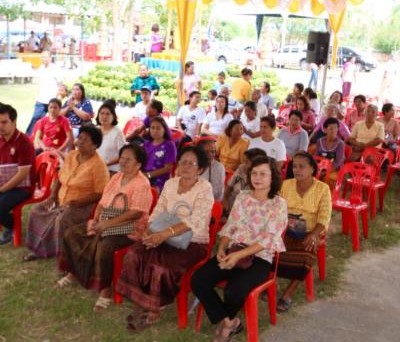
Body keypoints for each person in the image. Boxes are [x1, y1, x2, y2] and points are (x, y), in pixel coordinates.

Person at [116, 146, 214, 330]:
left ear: (200, 169)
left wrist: (164, 234)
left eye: (191, 164)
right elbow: (158, 209)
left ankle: (155, 307)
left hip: (192, 241)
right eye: (183, 162)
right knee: (134, 254)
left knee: (161, 268)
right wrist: (149, 230)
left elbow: (195, 221)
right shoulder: (170, 184)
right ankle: (142, 302)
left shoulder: (205, 189)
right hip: (161, 234)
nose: (185, 166)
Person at [191, 156, 288, 340]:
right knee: (198, 280)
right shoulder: (243, 196)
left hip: (259, 257)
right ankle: (230, 322)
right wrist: (222, 248)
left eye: (263, 174)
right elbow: (230, 226)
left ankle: (226, 324)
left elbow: (268, 240)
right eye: (254, 173)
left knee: (234, 292)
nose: (257, 177)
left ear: (273, 177)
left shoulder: (279, 204)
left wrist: (238, 256)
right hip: (233, 250)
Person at [57, 144, 152, 310]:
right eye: (122, 158)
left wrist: (106, 224)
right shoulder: (116, 177)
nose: (123, 161)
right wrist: (96, 219)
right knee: (72, 233)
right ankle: (74, 272)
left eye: (128, 159)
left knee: (105, 245)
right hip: (105, 220)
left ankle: (105, 289)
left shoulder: (142, 183)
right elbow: (102, 202)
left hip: (129, 228)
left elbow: (135, 213)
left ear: (138, 164)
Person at [23, 126, 109, 261]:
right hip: (60, 199)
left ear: (95, 145)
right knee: (36, 210)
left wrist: (76, 202)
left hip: (82, 206)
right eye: (80, 137)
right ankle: (39, 249)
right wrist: (53, 196)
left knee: (62, 219)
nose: (80, 141)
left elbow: (100, 193)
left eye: (85, 140)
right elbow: (60, 177)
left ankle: (62, 255)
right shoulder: (72, 155)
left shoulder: (99, 165)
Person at [277, 151, 332, 312]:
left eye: (302, 166)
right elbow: (277, 208)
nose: (297, 170)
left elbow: (324, 216)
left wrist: (314, 234)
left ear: (312, 169)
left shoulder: (323, 189)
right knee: (270, 252)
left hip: (310, 231)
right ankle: (270, 282)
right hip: (286, 229)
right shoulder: (286, 185)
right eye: (295, 166)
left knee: (306, 255)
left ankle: (288, 294)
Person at [0, 104, 35, 245]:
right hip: (5, 182)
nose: (0, 126)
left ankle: (12, 226)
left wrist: (2, 190)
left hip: (22, 187)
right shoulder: (1, 138)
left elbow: (22, 174)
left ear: (14, 122)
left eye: (4, 122)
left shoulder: (24, 142)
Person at [222, 148, 266, 216]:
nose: (243, 164)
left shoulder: (263, 180)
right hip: (231, 205)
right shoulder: (241, 168)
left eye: (247, 162)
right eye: (243, 161)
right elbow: (229, 185)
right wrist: (225, 200)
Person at [26, 51, 60, 135]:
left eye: (45, 57)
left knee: (53, 120)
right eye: (42, 57)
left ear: (50, 58)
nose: (43, 59)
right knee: (35, 118)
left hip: (52, 100)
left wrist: (58, 97)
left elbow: (60, 84)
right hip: (41, 99)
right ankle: (28, 136)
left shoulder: (55, 68)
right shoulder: (41, 68)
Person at [142, 117, 177, 192]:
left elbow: (168, 168)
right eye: (152, 128)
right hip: (144, 177)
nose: (155, 131)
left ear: (164, 130)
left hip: (160, 181)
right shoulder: (146, 144)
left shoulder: (169, 145)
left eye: (158, 128)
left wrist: (148, 175)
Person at [96, 101, 126, 176]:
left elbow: (123, 154)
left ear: (113, 117)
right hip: (96, 167)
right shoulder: (95, 130)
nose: (104, 116)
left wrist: (106, 163)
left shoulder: (118, 133)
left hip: (112, 170)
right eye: (102, 113)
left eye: (108, 114)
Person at [316, 117, 345, 186]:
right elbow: (316, 157)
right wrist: (317, 169)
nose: (334, 131)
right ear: (325, 130)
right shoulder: (319, 141)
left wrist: (324, 172)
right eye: (331, 128)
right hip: (321, 168)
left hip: (334, 169)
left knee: (327, 178)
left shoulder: (340, 143)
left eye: (335, 128)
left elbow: (338, 162)